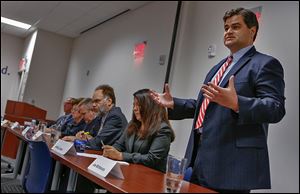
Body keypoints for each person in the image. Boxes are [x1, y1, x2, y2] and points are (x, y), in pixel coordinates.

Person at [150, 8, 285, 193]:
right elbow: (206, 107)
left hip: (232, 166)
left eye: (235, 26)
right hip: (199, 160)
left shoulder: (265, 64)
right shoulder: (217, 68)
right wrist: (174, 103)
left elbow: (275, 108)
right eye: (226, 27)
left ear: (252, 31)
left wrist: (238, 103)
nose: (228, 31)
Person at [103, 89, 175, 173]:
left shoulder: (163, 129)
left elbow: (151, 159)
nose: (134, 109)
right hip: (129, 172)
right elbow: (119, 145)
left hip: (150, 178)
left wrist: (121, 155)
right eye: (134, 105)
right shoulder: (133, 124)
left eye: (138, 105)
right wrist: (110, 151)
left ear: (150, 107)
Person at [86, 84, 128, 149]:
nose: (93, 105)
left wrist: (77, 140)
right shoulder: (100, 116)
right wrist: (84, 135)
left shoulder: (115, 117)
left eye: (97, 101)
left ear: (109, 101)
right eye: (93, 102)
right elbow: (91, 134)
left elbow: (98, 142)